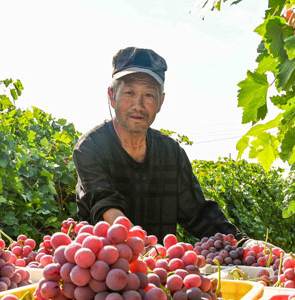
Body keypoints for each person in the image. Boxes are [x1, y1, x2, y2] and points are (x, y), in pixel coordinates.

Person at [73, 47, 255, 245]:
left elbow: (198, 213)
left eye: (149, 95)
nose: (138, 105)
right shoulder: (91, 147)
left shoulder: (171, 153)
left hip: (160, 262)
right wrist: (143, 245)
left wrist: (244, 243)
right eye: (129, 92)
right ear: (111, 96)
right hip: (107, 262)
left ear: (161, 101)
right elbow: (106, 205)